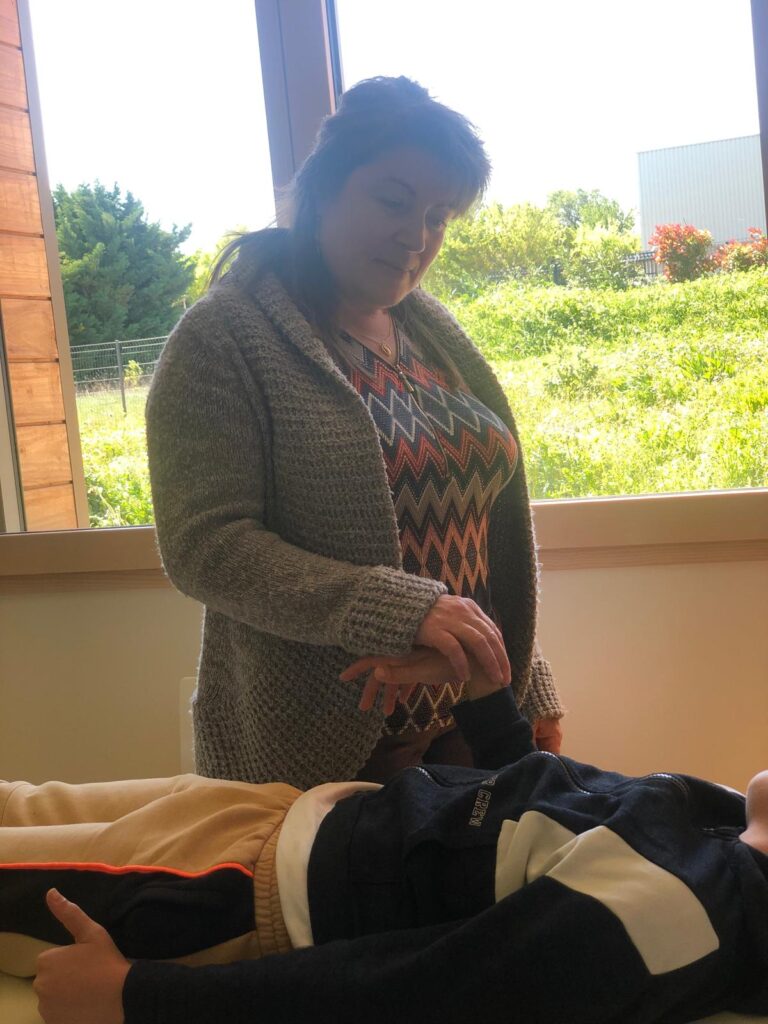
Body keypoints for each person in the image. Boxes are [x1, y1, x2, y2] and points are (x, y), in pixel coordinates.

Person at [145, 75, 564, 789]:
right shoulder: (225, 336)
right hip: (322, 757)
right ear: (324, 188)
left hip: (475, 731)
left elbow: (472, 534)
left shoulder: (431, 330)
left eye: (438, 216)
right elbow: (204, 546)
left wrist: (526, 679)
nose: (416, 237)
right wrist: (394, 607)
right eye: (393, 202)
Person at [3, 651, 768, 1024]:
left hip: (232, 892)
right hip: (270, 818)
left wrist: (139, 997)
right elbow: (526, 827)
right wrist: (485, 697)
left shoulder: (676, 909)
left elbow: (420, 991)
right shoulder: (718, 822)